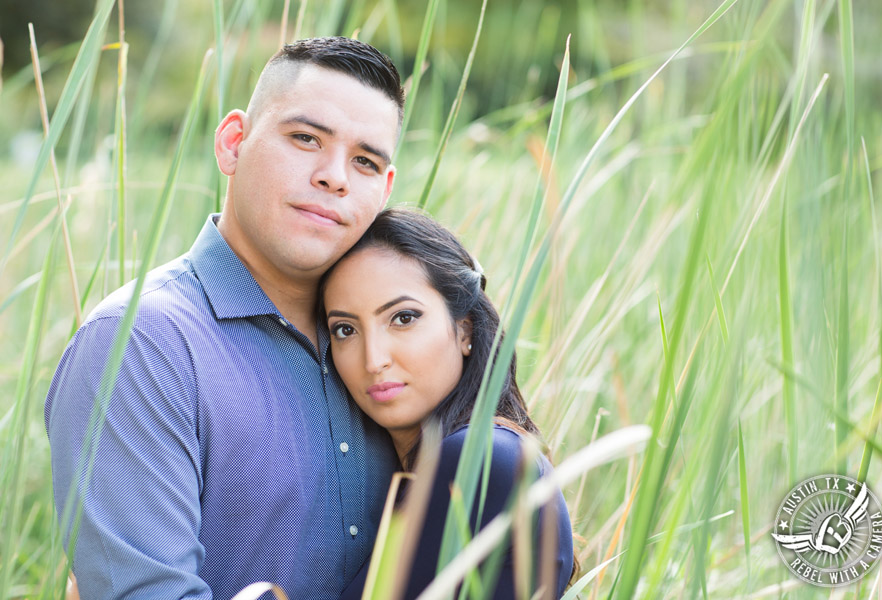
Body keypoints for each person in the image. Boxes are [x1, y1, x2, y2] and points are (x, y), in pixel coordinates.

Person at [45, 37, 405, 599]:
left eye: (364, 161)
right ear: (233, 142)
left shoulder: (399, 341)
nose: (335, 176)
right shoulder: (138, 345)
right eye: (305, 138)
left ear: (383, 189)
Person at [321, 208, 576, 599]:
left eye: (403, 318)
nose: (373, 360)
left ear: (464, 330)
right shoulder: (481, 451)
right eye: (345, 329)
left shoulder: (479, 456)